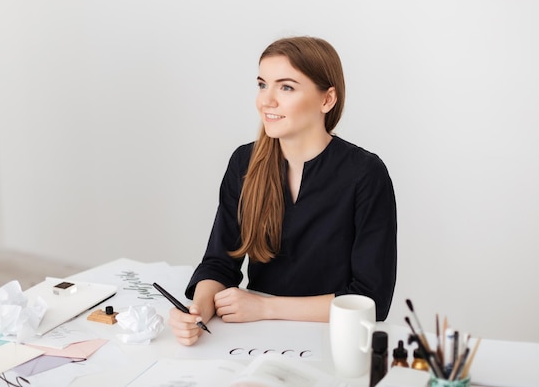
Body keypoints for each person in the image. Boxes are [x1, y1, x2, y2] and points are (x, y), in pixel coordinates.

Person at [168, 36, 397, 346]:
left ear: (327, 100)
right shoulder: (243, 162)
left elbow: (371, 299)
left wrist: (265, 307)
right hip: (253, 338)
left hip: (335, 341)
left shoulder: (366, 174)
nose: (266, 101)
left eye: (286, 87)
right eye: (262, 84)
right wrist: (197, 311)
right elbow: (220, 263)